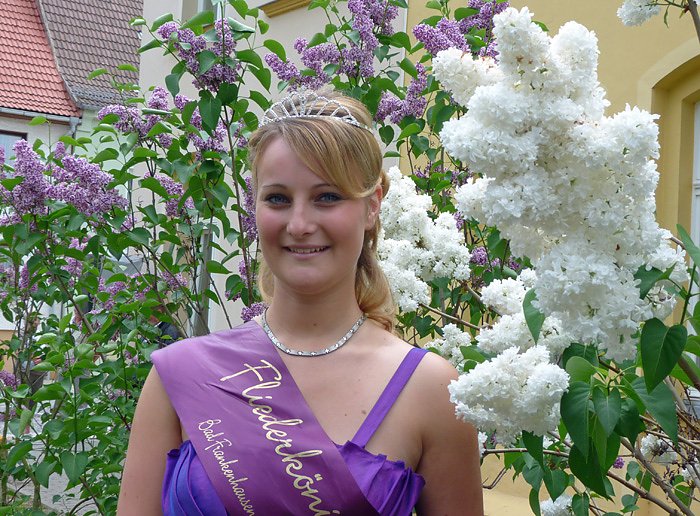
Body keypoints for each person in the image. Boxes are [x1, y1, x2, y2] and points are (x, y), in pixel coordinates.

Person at [117, 89, 483, 515]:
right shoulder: (180, 377)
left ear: (372, 206)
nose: (299, 224)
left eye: (327, 197)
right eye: (278, 198)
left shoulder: (430, 390)